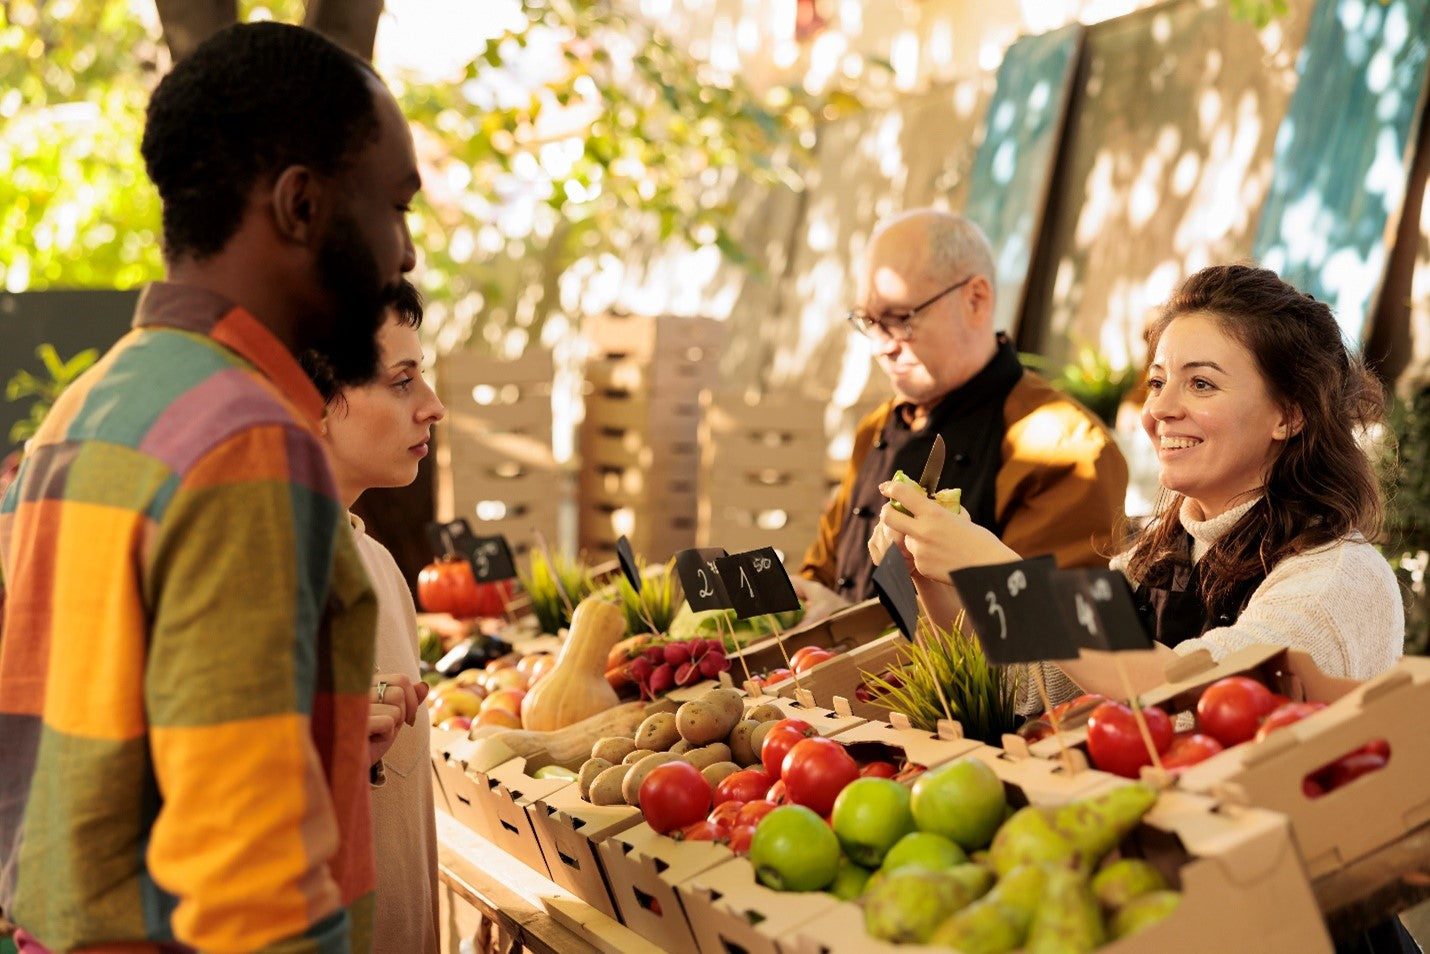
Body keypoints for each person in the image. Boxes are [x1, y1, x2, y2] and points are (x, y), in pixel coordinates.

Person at [0, 22, 423, 953]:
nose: (405, 255)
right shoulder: (248, 445)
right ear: (302, 206)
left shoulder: (88, 408)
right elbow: (251, 887)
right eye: (395, 207)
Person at [872, 263, 1404, 702]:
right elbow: (1024, 690)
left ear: (1288, 415)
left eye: (1200, 383)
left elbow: (1202, 695)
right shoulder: (1157, 557)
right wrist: (935, 578)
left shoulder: (1337, 578)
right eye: (1156, 382)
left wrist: (998, 571)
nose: (1159, 410)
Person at [795, 208, 1130, 620]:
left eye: (900, 319)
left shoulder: (1063, 447)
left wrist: (848, 624)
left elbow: (1041, 636)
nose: (881, 344)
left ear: (976, 299)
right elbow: (824, 575)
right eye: (869, 321)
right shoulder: (876, 428)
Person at [304, 279, 445, 954]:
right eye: (402, 382)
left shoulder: (382, 567)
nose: (432, 407)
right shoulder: (266, 582)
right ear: (318, 405)